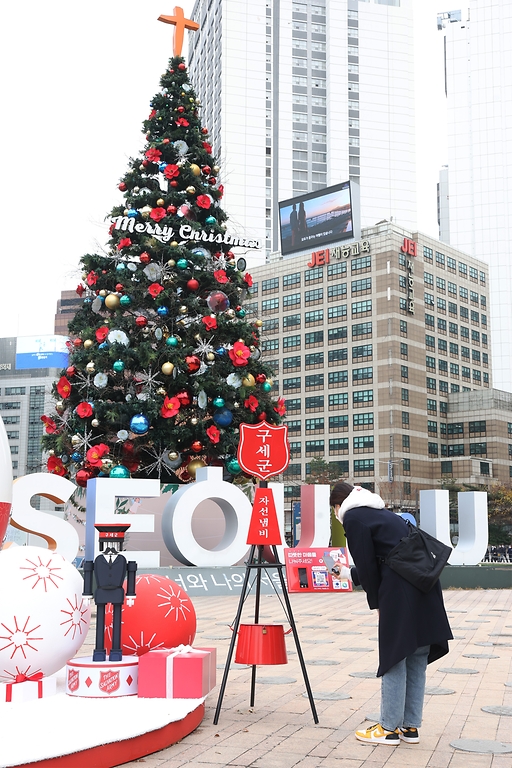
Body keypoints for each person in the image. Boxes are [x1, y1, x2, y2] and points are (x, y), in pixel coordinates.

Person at [330, 482, 453, 746]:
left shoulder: (353, 517)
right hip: (424, 585)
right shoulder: (382, 513)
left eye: (334, 509)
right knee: (417, 655)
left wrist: (378, 605)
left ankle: (387, 728)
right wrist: (349, 574)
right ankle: (410, 727)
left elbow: (368, 565)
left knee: (396, 655)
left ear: (339, 506)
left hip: (399, 591)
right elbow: (382, 558)